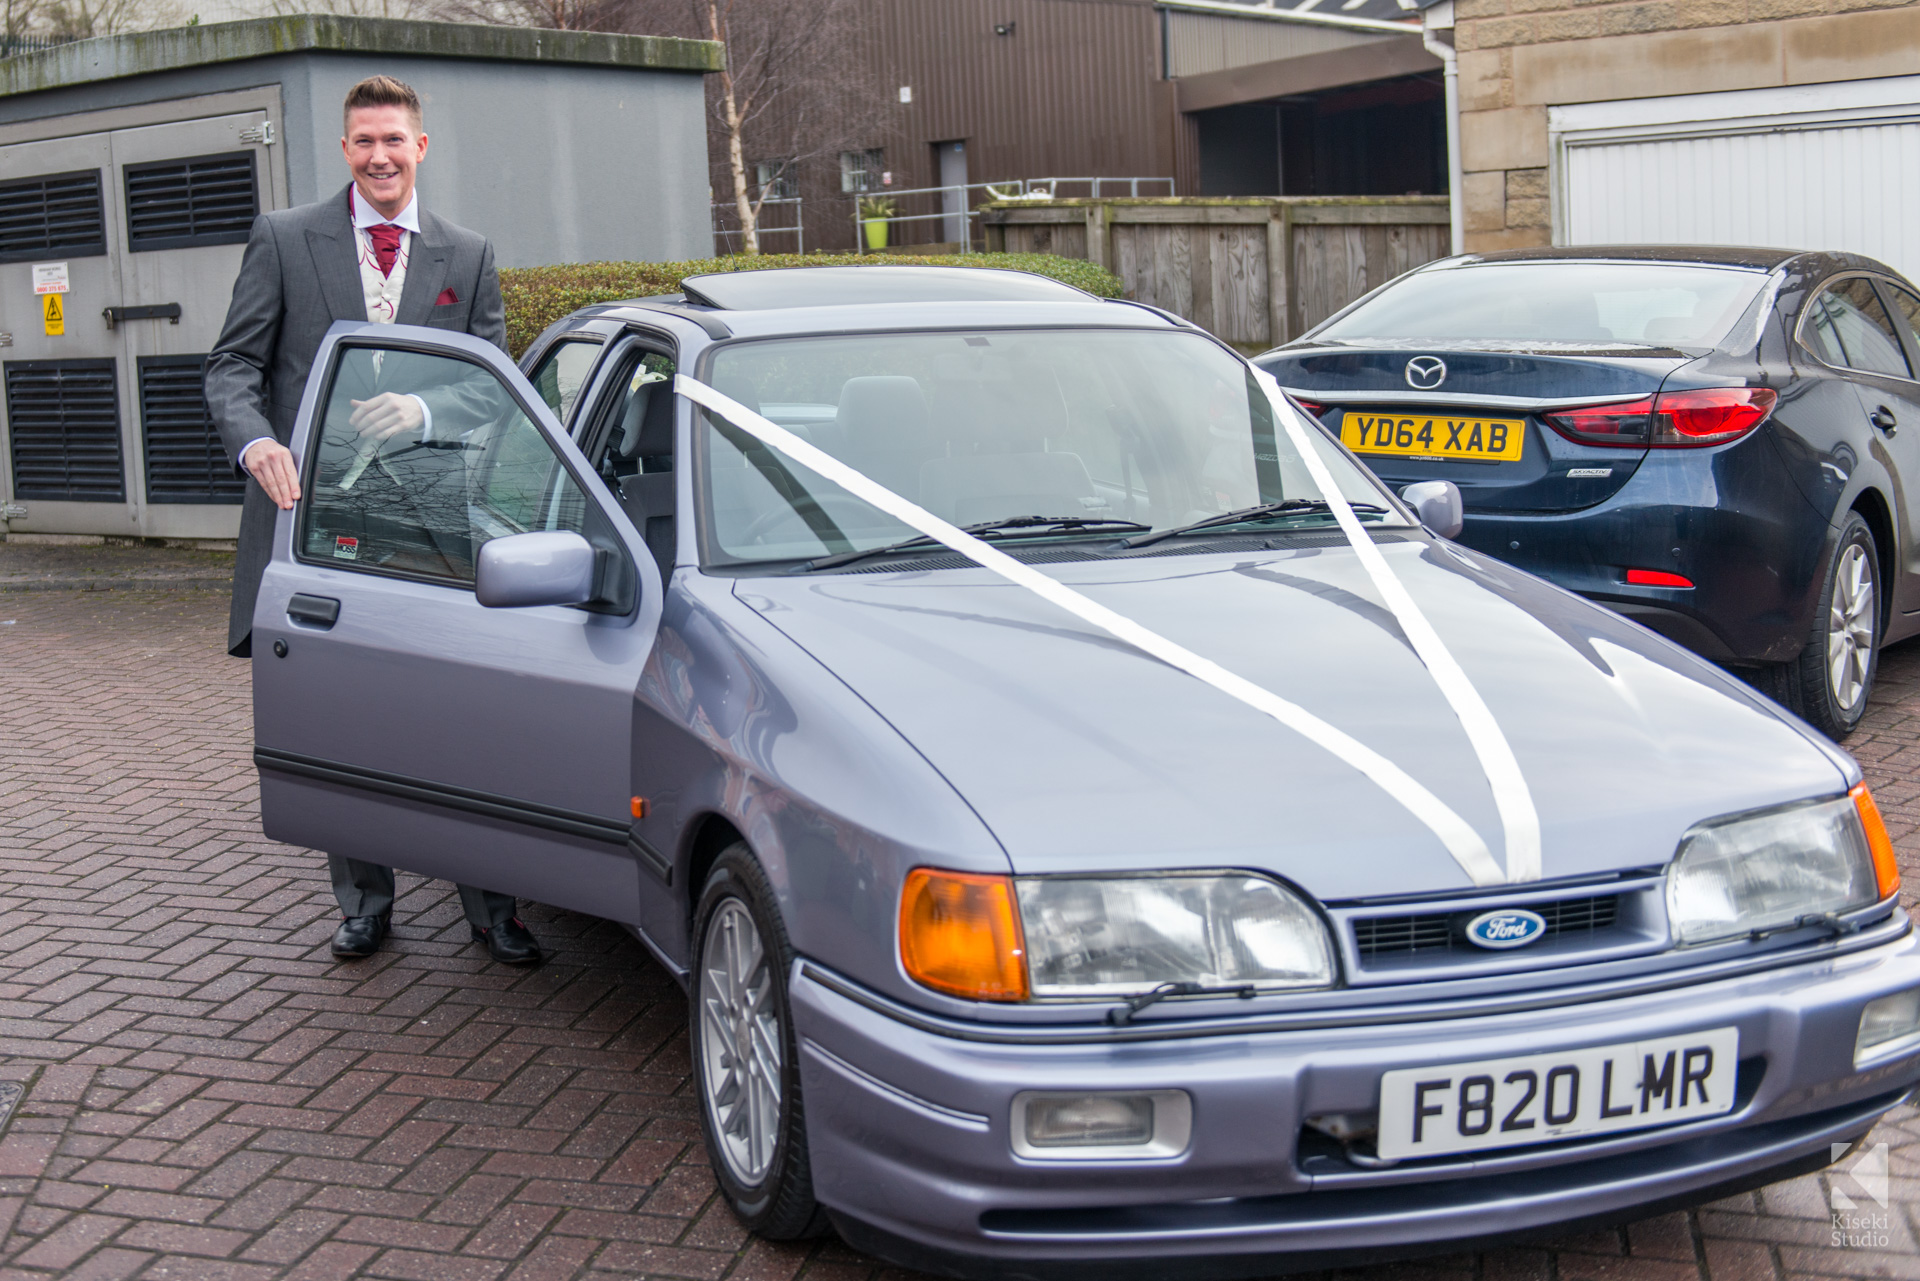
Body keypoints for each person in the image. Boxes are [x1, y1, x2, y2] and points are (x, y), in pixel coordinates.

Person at [204, 75, 542, 966]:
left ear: (420, 147)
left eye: (394, 140)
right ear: (345, 150)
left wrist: (427, 414)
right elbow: (233, 366)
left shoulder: (466, 254)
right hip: (311, 522)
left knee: (466, 714)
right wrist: (256, 446)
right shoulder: (283, 239)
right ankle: (363, 900)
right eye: (363, 142)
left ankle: (492, 907)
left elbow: (488, 382)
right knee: (335, 713)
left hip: (434, 526)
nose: (380, 157)